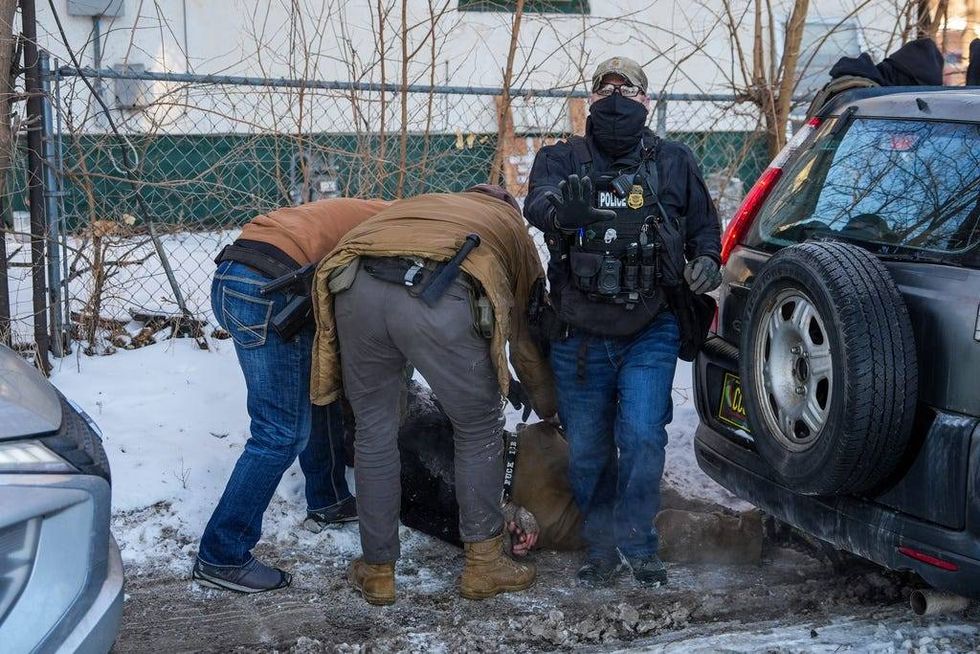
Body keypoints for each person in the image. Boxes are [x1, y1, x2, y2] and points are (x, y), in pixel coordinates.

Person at [524, 56, 722, 587]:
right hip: (579, 331)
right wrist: (561, 213)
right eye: (605, 89)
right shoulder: (561, 158)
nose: (615, 97)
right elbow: (537, 202)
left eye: (627, 89)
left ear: (647, 101)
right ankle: (601, 545)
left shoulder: (675, 161)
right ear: (590, 100)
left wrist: (708, 259)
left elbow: (706, 227)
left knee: (641, 436)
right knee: (587, 450)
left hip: (649, 324)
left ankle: (639, 541)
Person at [310, 185, 557, 606]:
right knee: (478, 428)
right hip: (437, 291)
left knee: (374, 431)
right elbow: (526, 333)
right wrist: (548, 403)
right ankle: (484, 566)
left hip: (355, 287)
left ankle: (377, 572)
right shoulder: (510, 228)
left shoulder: (423, 205)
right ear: (509, 209)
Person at [193, 197, 389, 593]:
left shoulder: (376, 209)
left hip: (236, 275)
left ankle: (328, 498)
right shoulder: (401, 226)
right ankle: (222, 554)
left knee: (317, 391)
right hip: (269, 289)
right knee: (279, 434)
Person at [395, 381, 763, 565]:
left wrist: (502, 516)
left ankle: (749, 534)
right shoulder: (411, 390)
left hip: (530, 502)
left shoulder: (385, 456)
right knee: (630, 490)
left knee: (630, 530)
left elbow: (440, 514)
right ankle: (742, 522)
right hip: (530, 448)